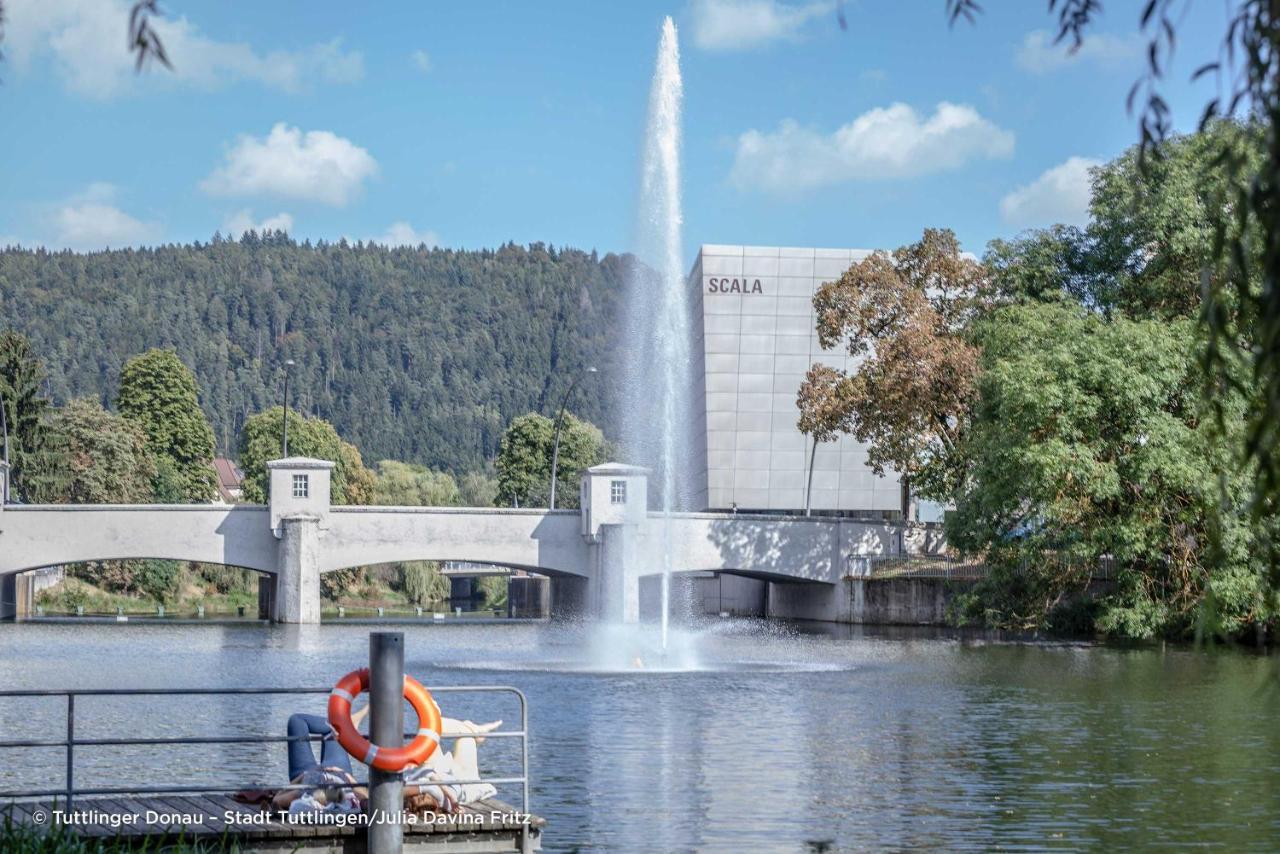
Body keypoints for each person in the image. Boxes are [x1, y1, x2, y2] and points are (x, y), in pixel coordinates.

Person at [271, 712, 365, 816]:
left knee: (296, 721)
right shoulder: (347, 798)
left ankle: (344, 724)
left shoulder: (304, 795)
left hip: (306, 774)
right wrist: (346, 775)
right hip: (339, 771)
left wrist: (303, 776)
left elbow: (276, 799)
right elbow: (366, 796)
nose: (327, 781)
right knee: (334, 731)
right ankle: (345, 725)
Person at [402, 717, 503, 812]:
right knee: (465, 733)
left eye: (418, 796)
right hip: (462, 776)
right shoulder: (440, 797)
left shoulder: (411, 796)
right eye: (423, 796)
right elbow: (428, 775)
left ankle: (474, 730)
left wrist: (448, 794)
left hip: (439, 768)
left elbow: (427, 772)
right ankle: (475, 731)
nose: (421, 795)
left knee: (426, 727)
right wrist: (451, 796)